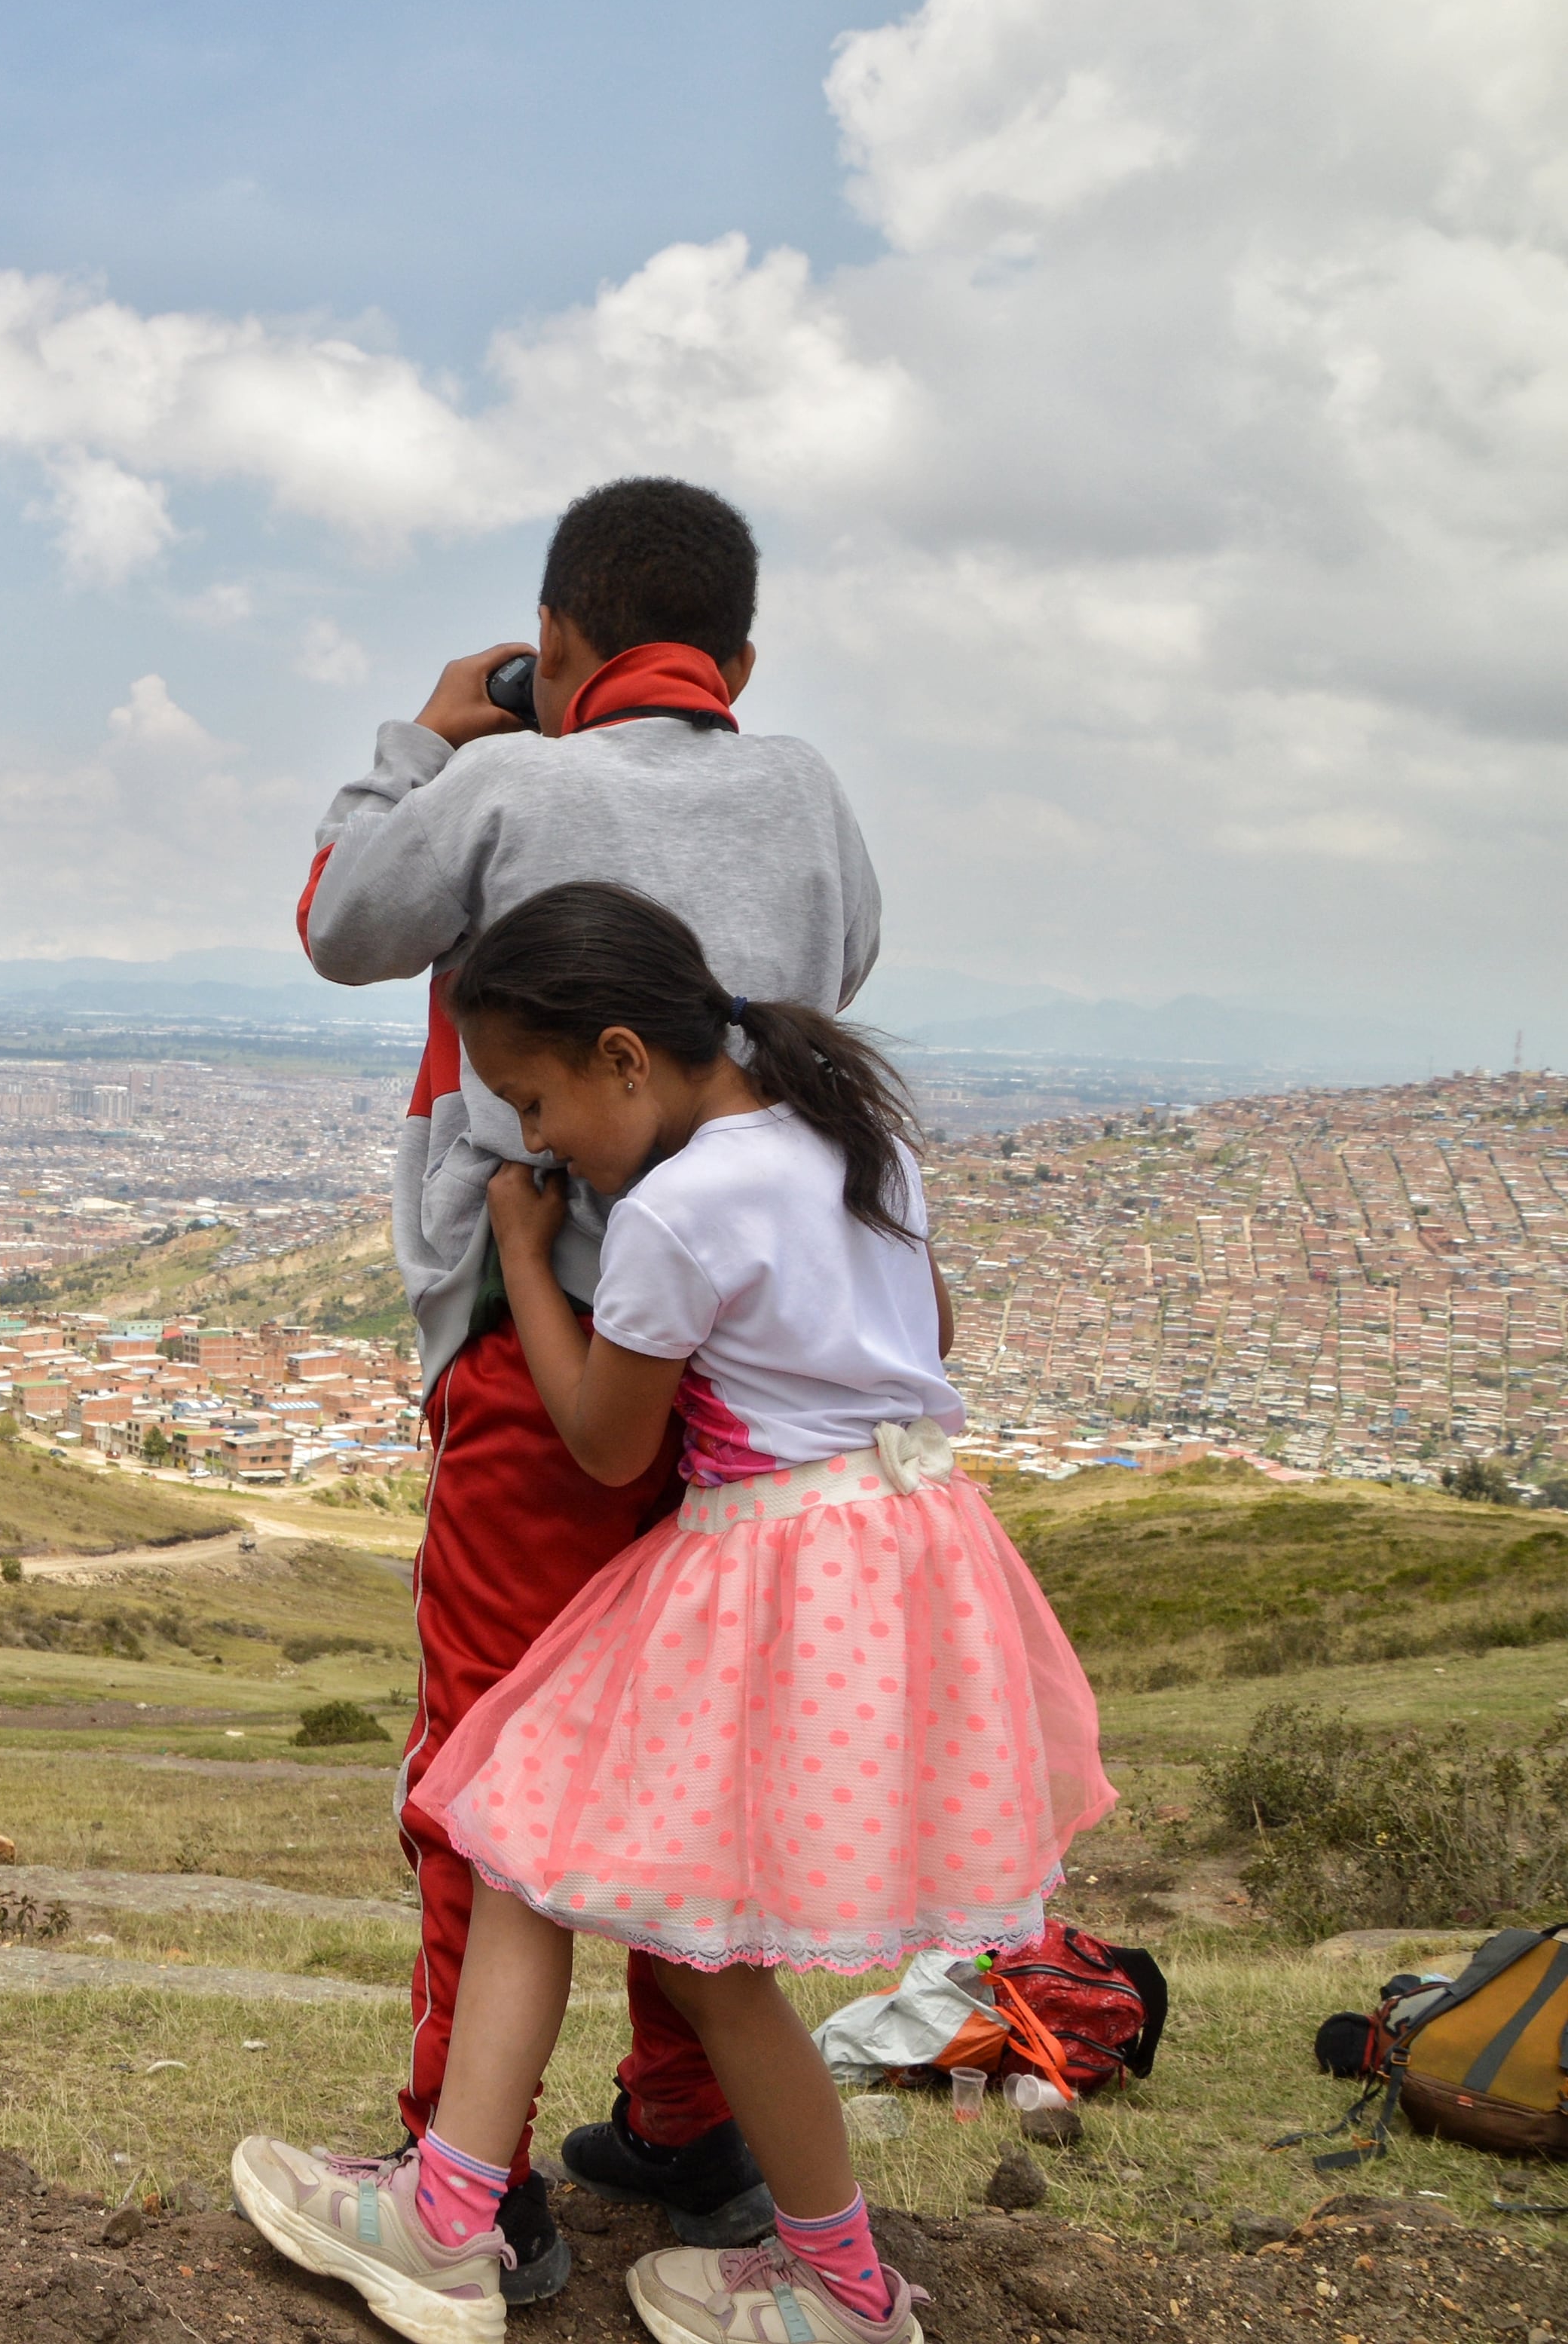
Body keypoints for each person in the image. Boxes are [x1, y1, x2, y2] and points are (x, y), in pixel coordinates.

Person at [237, 880, 1111, 2344]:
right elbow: (925, 1334)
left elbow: (605, 1444)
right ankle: (830, 2280)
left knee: (525, 1846)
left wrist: (523, 1255)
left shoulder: (677, 1211)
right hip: (911, 1552)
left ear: (625, 1058)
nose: (534, 1139)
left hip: (768, 1578)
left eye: (534, 1098)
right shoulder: (854, 1134)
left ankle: (451, 2219)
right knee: (696, 1949)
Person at [289, 477, 879, 2286]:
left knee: (492, 1755)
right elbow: (828, 978)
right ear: (740, 659)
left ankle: (465, 2179)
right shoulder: (810, 800)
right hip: (745, 1387)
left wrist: (420, 741)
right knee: (680, 1761)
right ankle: (690, 2141)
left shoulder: (504, 781)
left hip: (542, 1347)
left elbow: (336, 922)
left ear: (553, 648)